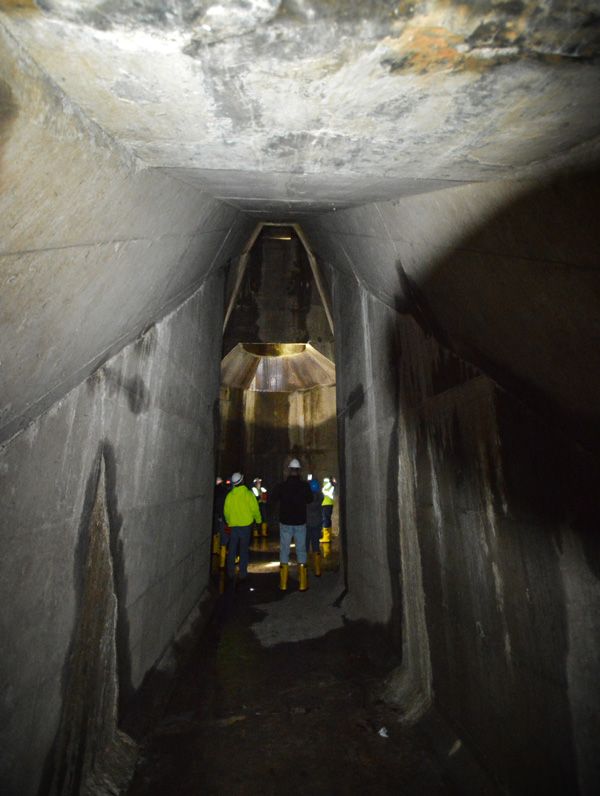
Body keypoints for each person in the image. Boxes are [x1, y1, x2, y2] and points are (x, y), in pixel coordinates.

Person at [271, 458, 313, 592]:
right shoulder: (304, 486)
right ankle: (303, 584)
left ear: (289, 470)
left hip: (285, 522)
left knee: (284, 550)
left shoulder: (282, 486)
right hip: (300, 522)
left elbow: (273, 498)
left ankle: (283, 583)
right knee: (301, 550)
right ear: (299, 470)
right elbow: (310, 499)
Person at [223, 472, 262, 583]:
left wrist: (229, 522)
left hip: (234, 527)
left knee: (232, 549)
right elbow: (255, 509)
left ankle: (230, 572)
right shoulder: (249, 495)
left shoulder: (230, 496)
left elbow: (226, 512)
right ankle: (242, 573)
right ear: (242, 481)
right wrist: (258, 521)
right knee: (244, 550)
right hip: (246, 527)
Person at [306, 475, 324, 576]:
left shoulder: (306, 500)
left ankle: (304, 570)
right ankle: (317, 570)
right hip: (316, 524)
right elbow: (321, 496)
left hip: (307, 524)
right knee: (316, 546)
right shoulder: (319, 498)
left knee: (305, 547)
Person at [213, 476, 229, 567]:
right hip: (222, 515)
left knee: (215, 532)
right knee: (224, 537)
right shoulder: (225, 491)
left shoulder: (213, 490)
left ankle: (215, 552)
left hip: (215, 514)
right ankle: (222, 563)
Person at [321, 476, 335, 543]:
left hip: (325, 504)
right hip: (330, 504)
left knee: (325, 520)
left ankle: (326, 538)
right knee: (328, 519)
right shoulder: (331, 486)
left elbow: (323, 494)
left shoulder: (325, 487)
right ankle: (329, 536)